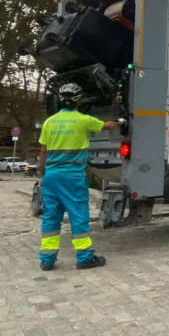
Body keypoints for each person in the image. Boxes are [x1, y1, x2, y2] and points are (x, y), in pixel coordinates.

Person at [37, 82, 122, 271]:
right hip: (72, 176)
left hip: (51, 176)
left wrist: (42, 172)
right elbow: (107, 126)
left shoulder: (49, 122)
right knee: (78, 215)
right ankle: (84, 257)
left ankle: (47, 259)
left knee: (51, 217)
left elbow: (43, 152)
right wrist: (121, 121)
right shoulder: (83, 120)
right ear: (78, 100)